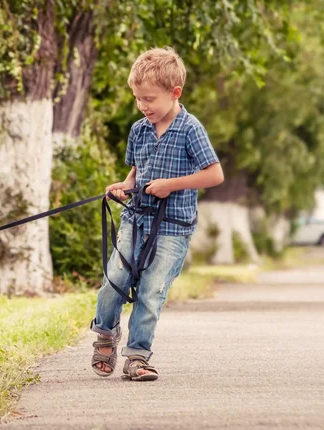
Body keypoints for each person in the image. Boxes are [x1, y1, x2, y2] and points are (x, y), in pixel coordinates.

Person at [90, 47, 224, 381]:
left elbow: (214, 175)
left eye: (149, 99)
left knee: (150, 291)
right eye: (137, 99)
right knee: (114, 281)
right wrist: (121, 186)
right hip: (135, 219)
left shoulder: (190, 129)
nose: (143, 106)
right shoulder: (139, 130)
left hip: (173, 228)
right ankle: (105, 334)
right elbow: (135, 175)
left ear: (174, 92)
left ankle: (137, 356)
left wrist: (172, 185)